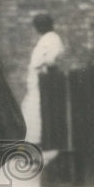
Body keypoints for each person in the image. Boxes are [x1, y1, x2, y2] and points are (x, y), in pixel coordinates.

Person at [21, 12, 65, 145]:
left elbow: (51, 58)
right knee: (29, 109)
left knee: (35, 111)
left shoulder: (51, 39)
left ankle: (35, 143)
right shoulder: (48, 38)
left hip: (42, 83)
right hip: (36, 82)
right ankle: (32, 142)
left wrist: (43, 65)